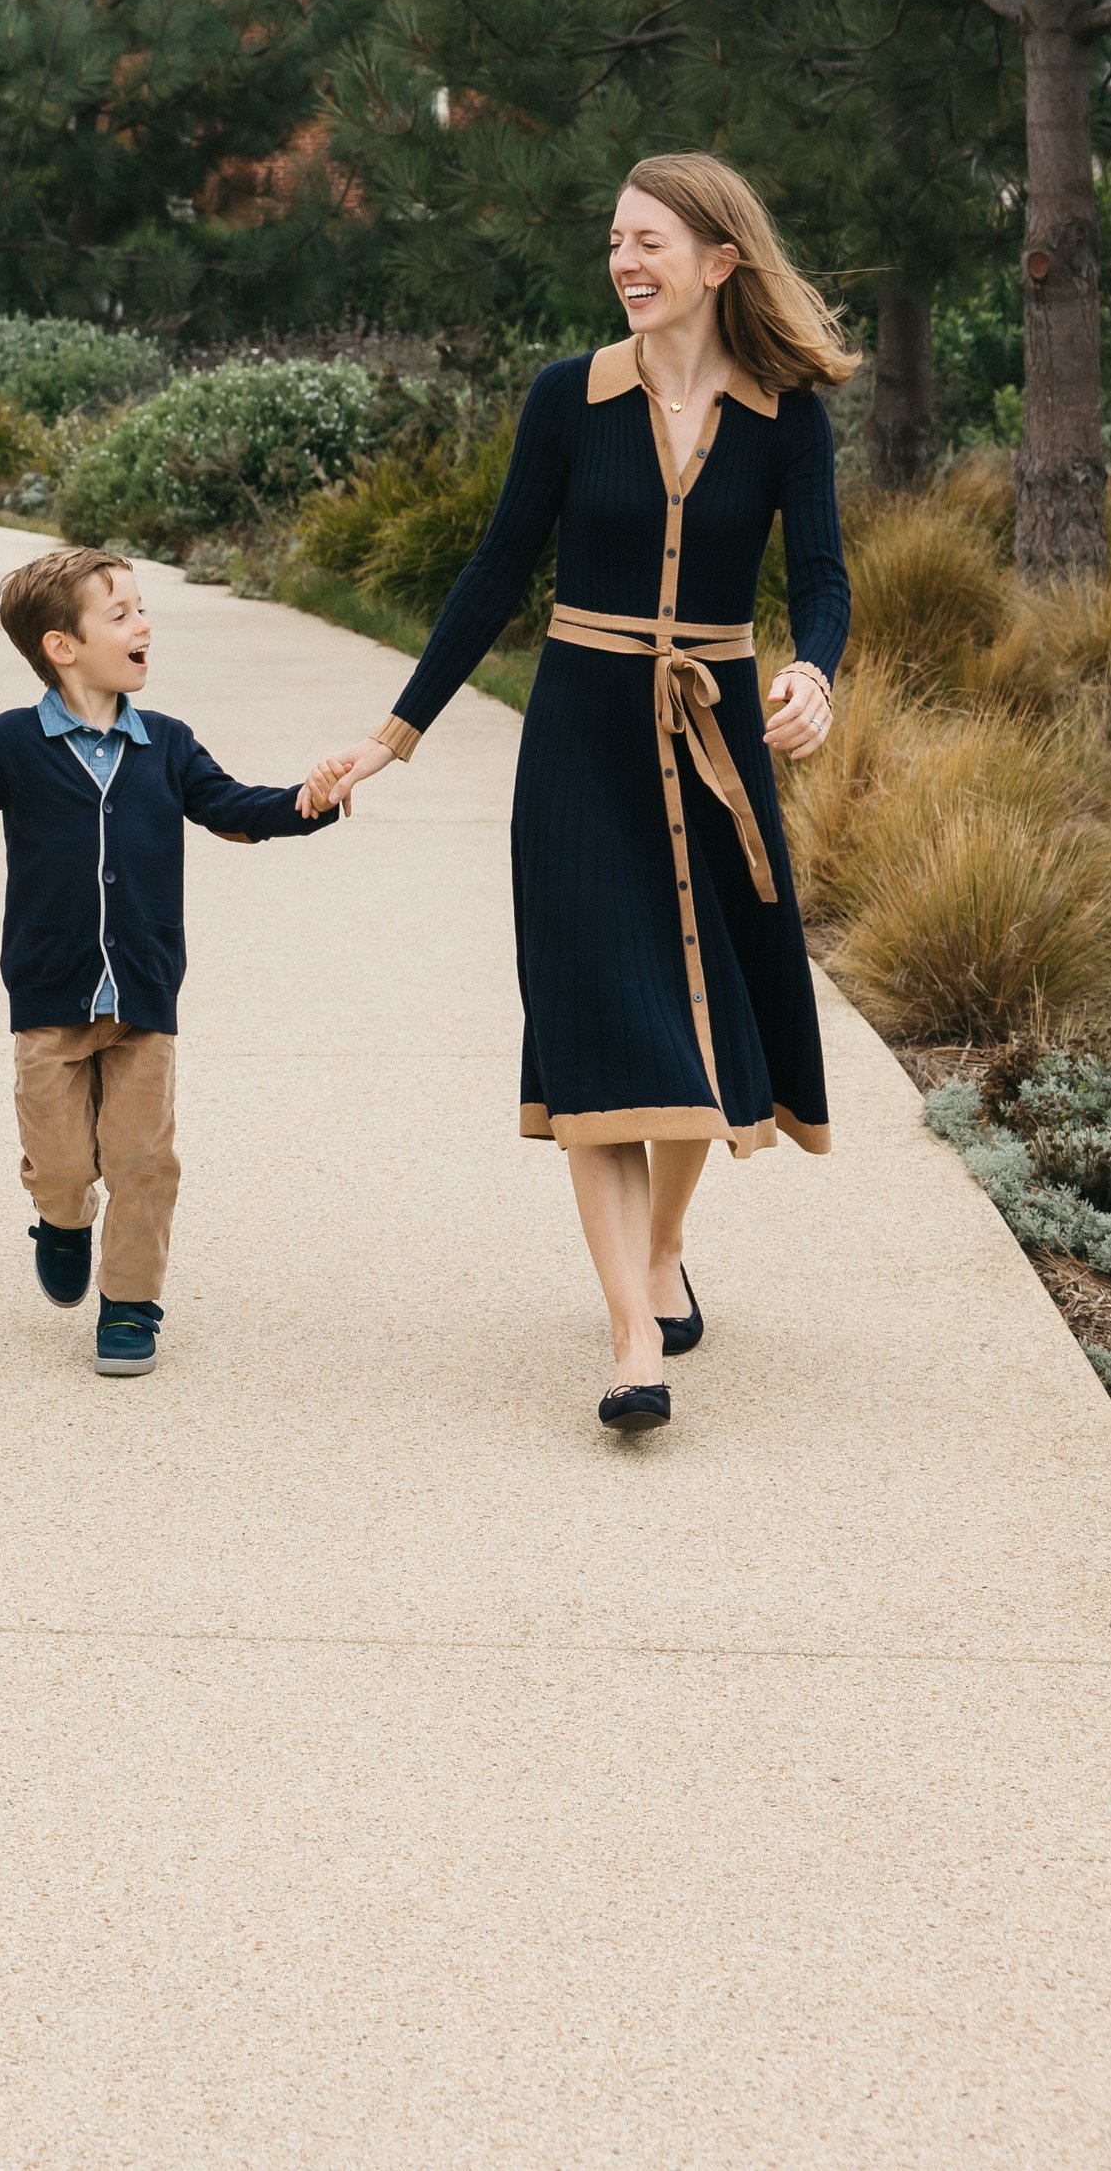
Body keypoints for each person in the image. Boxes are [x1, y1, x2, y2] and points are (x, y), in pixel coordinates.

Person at [308, 154, 852, 1435]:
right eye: (615, 240)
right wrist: (393, 738)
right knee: (599, 1027)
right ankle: (628, 1340)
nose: (626, 262)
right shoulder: (568, 399)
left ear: (720, 260)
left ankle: (664, 1249)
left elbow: (822, 577)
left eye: (651, 241)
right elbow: (494, 573)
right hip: (577, 748)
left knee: (696, 1030)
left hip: (713, 738)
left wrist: (815, 673)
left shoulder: (785, 416)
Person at [0, 544, 341, 1376]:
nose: (145, 626)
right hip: (49, 996)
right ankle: (62, 1219)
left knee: (144, 1160)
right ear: (62, 646)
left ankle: (130, 1303)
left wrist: (304, 804)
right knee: (61, 1161)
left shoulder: (166, 744)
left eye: (142, 609)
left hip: (143, 997)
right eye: (123, 613)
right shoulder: (9, 743)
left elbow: (231, 809)